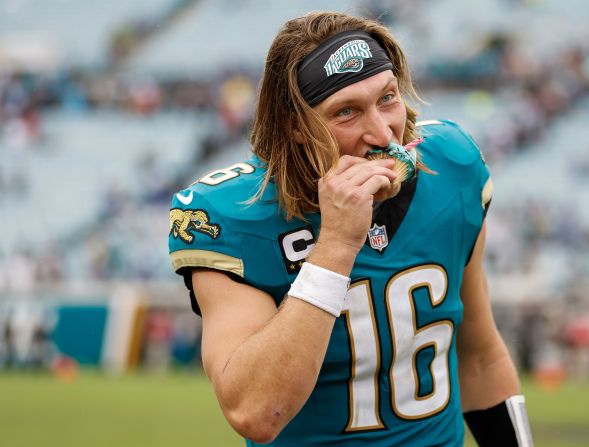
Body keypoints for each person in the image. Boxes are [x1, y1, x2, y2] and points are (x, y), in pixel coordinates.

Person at [169, 11, 532, 447]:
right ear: (296, 128)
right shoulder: (232, 214)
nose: (383, 133)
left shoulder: (451, 166)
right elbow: (255, 412)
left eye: (387, 98)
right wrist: (336, 243)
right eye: (347, 111)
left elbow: (477, 358)